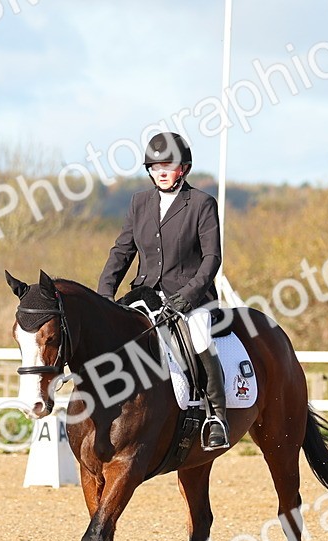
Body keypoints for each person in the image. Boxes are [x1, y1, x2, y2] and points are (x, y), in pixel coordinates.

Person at [97, 132, 230, 450]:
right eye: (155, 167)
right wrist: (104, 294)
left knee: (198, 335)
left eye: (167, 166)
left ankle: (216, 417)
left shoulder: (200, 203)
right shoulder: (139, 202)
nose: (161, 172)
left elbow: (212, 258)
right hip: (145, 293)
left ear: (183, 168)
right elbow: (122, 251)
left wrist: (189, 295)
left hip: (190, 297)